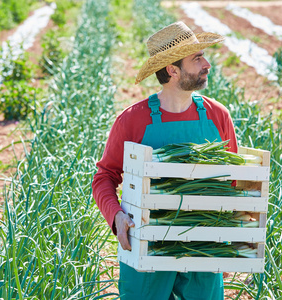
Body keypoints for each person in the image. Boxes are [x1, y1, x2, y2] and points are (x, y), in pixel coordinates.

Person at [92, 21, 238, 299]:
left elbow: (233, 181)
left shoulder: (218, 115)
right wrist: (117, 216)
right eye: (197, 58)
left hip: (203, 244)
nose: (207, 64)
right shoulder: (133, 120)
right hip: (148, 243)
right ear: (172, 70)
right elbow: (105, 177)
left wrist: (228, 241)